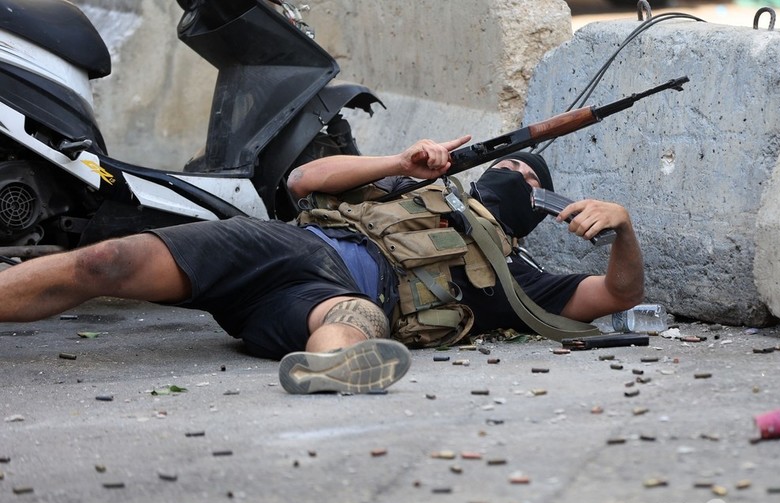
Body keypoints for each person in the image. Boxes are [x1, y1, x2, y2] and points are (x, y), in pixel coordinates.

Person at [0, 135, 643, 394]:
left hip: (316, 305)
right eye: (507, 165)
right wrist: (400, 164)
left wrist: (623, 229)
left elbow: (616, 296)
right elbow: (303, 180)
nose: (513, 174)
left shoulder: (517, 276)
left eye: (528, 179)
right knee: (109, 262)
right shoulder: (416, 189)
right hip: (285, 247)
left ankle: (329, 372)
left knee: (357, 317)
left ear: (537, 208)